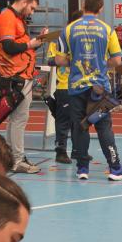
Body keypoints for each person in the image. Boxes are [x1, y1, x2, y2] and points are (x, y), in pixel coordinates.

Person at [55, 0, 122, 182]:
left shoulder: (68, 29)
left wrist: (76, 61)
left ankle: (82, 168)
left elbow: (59, 60)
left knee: (80, 127)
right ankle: (115, 168)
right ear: (100, 8)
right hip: (99, 88)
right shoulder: (107, 30)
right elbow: (117, 60)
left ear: (84, 6)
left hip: (76, 87)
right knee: (104, 127)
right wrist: (100, 63)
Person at [0, 0, 47, 174]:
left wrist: (37, 42)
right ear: (24, 2)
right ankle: (17, 160)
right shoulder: (7, 17)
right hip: (15, 76)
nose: (32, 12)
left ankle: (11, 158)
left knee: (16, 119)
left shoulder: (17, 19)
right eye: (32, 8)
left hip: (20, 75)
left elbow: (21, 47)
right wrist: (30, 44)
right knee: (19, 119)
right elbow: (9, 47)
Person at [45, 14, 78, 164]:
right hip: (64, 86)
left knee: (79, 122)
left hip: (81, 86)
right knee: (63, 121)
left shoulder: (84, 40)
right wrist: (69, 59)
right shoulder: (59, 39)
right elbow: (50, 61)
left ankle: (78, 150)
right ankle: (61, 151)